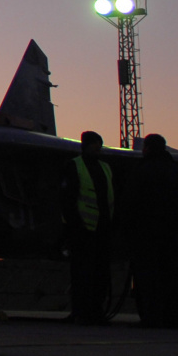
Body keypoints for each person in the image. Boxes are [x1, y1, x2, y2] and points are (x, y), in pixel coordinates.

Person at [130, 133, 178, 328]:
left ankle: (152, 317)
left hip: (146, 233)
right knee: (172, 273)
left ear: (147, 148)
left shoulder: (142, 171)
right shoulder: (177, 172)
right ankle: (176, 317)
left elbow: (132, 202)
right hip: (170, 232)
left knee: (148, 275)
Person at [60, 130, 115, 325]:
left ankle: (95, 311)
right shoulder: (74, 166)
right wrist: (75, 227)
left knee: (100, 274)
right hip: (82, 231)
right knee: (81, 274)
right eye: (94, 145)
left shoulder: (105, 168)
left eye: (99, 145)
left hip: (102, 230)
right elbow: (68, 200)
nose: (97, 149)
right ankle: (81, 311)